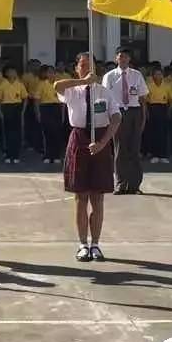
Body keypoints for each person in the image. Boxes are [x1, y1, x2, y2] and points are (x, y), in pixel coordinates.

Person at [55, 52, 123, 262]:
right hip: (79, 137)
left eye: (89, 65)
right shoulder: (72, 91)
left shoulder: (104, 92)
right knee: (80, 196)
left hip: (100, 139)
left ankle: (96, 244)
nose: (86, 68)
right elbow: (56, 86)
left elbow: (116, 117)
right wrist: (81, 81)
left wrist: (103, 143)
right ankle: (83, 244)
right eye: (82, 65)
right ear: (77, 68)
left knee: (97, 197)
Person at [101, 47, 148, 194]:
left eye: (126, 57)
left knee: (134, 149)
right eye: (121, 57)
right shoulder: (109, 76)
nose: (124, 59)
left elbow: (142, 98)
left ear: (130, 59)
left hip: (134, 111)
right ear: (116, 58)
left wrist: (143, 117)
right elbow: (104, 99)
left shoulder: (136, 75)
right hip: (117, 112)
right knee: (119, 149)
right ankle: (121, 184)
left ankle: (134, 185)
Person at [0, 65, 27, 165]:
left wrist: (22, 111)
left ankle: (16, 155)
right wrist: (0, 112)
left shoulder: (20, 84)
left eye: (14, 71)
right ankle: (8, 155)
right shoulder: (3, 84)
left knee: (17, 133)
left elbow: (25, 97)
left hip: (17, 108)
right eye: (11, 71)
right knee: (8, 133)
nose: (14, 73)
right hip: (6, 108)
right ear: (7, 74)